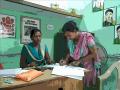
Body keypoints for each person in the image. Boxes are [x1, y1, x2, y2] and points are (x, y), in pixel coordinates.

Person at [59, 21, 101, 87]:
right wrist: (65, 60)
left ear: (75, 31)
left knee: (86, 86)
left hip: (89, 67)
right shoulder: (70, 40)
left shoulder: (87, 38)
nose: (68, 38)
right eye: (66, 36)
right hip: (78, 67)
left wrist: (79, 61)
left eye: (69, 35)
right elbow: (70, 52)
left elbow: (95, 53)